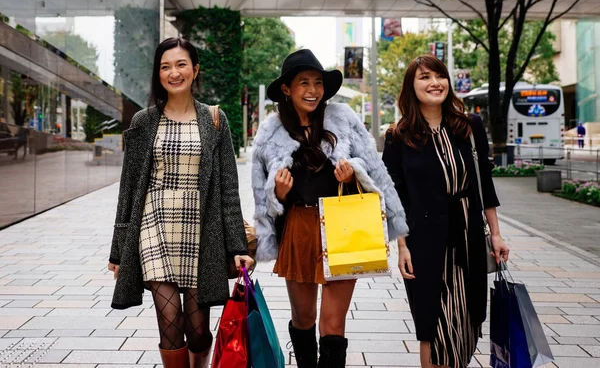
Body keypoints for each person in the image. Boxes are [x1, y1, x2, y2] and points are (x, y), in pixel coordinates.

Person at [252, 49, 408, 368]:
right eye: (303, 83)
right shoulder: (271, 130)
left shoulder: (343, 118)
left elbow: (374, 168)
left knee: (333, 325)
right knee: (305, 318)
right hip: (299, 227)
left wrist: (353, 172)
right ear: (287, 88)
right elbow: (261, 195)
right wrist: (278, 193)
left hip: (343, 226)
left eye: (318, 83)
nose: (312, 90)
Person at [107, 37, 254, 368]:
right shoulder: (144, 121)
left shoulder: (214, 119)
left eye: (181, 64)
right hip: (154, 225)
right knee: (170, 321)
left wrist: (238, 246)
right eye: (165, 66)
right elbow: (129, 188)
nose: (173, 72)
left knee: (197, 329)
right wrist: (118, 251)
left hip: (201, 231)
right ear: (158, 74)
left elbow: (228, 188)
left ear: (195, 69)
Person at [382, 55, 510, 368]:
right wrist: (401, 247)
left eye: (439, 76)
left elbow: (484, 183)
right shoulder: (398, 136)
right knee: (433, 327)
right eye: (424, 77)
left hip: (468, 239)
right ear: (411, 87)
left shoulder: (468, 126)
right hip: (424, 242)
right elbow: (393, 196)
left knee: (466, 323)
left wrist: (496, 233)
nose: (434, 83)